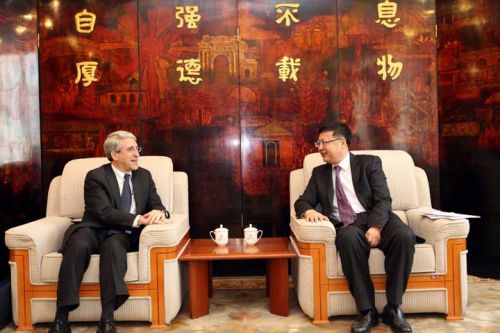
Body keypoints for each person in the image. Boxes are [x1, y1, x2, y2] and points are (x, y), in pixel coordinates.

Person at [294, 123, 415, 333]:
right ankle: (367, 311)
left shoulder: (369, 163)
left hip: (378, 217)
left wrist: (376, 226)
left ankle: (394, 308)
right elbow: (302, 201)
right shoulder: (319, 173)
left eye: (324, 142)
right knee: (347, 239)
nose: (320, 147)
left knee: (405, 235)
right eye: (318, 143)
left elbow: (383, 199)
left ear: (342, 143)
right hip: (348, 224)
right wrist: (308, 211)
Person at [49, 131, 171, 333]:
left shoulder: (144, 176)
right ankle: (61, 318)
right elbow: (102, 212)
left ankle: (107, 319)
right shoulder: (96, 176)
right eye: (130, 149)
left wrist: (159, 212)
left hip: (121, 233)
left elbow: (158, 205)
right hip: (93, 228)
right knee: (77, 246)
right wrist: (138, 219)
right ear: (115, 155)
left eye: (137, 148)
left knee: (114, 248)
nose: (137, 154)